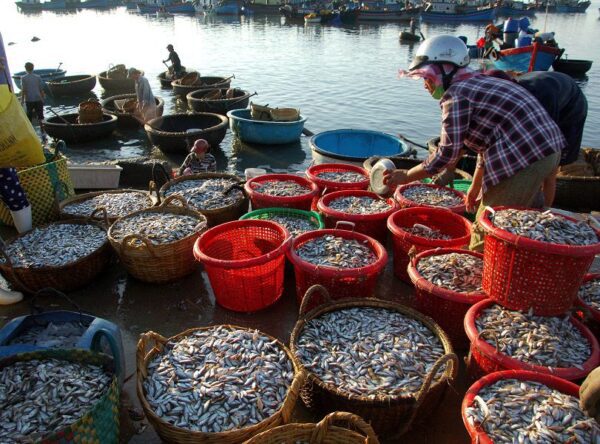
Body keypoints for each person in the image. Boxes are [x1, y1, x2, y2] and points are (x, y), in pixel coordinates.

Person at [388, 35, 566, 252]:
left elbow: (446, 154)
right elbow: (487, 141)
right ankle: (524, 260)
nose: (425, 84)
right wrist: (475, 185)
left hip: (524, 156)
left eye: (427, 77)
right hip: (548, 149)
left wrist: (406, 176)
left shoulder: (457, 95)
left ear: (446, 70)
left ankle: (477, 270)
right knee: (524, 214)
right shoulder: (480, 81)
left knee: (488, 222)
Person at [467, 70, 588, 208]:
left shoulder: (537, 96)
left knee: (550, 171)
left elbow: (547, 139)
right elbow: (486, 146)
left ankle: (545, 210)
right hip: (552, 93)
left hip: (570, 109)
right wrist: (476, 186)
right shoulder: (502, 102)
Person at [20, 62, 46, 141]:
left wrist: (22, 100)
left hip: (29, 100)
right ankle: (43, 132)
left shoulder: (23, 78)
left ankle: (31, 134)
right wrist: (43, 98)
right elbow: (41, 89)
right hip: (38, 99)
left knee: (29, 116)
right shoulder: (38, 77)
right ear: (33, 68)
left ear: (26, 68)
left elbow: (23, 90)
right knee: (40, 116)